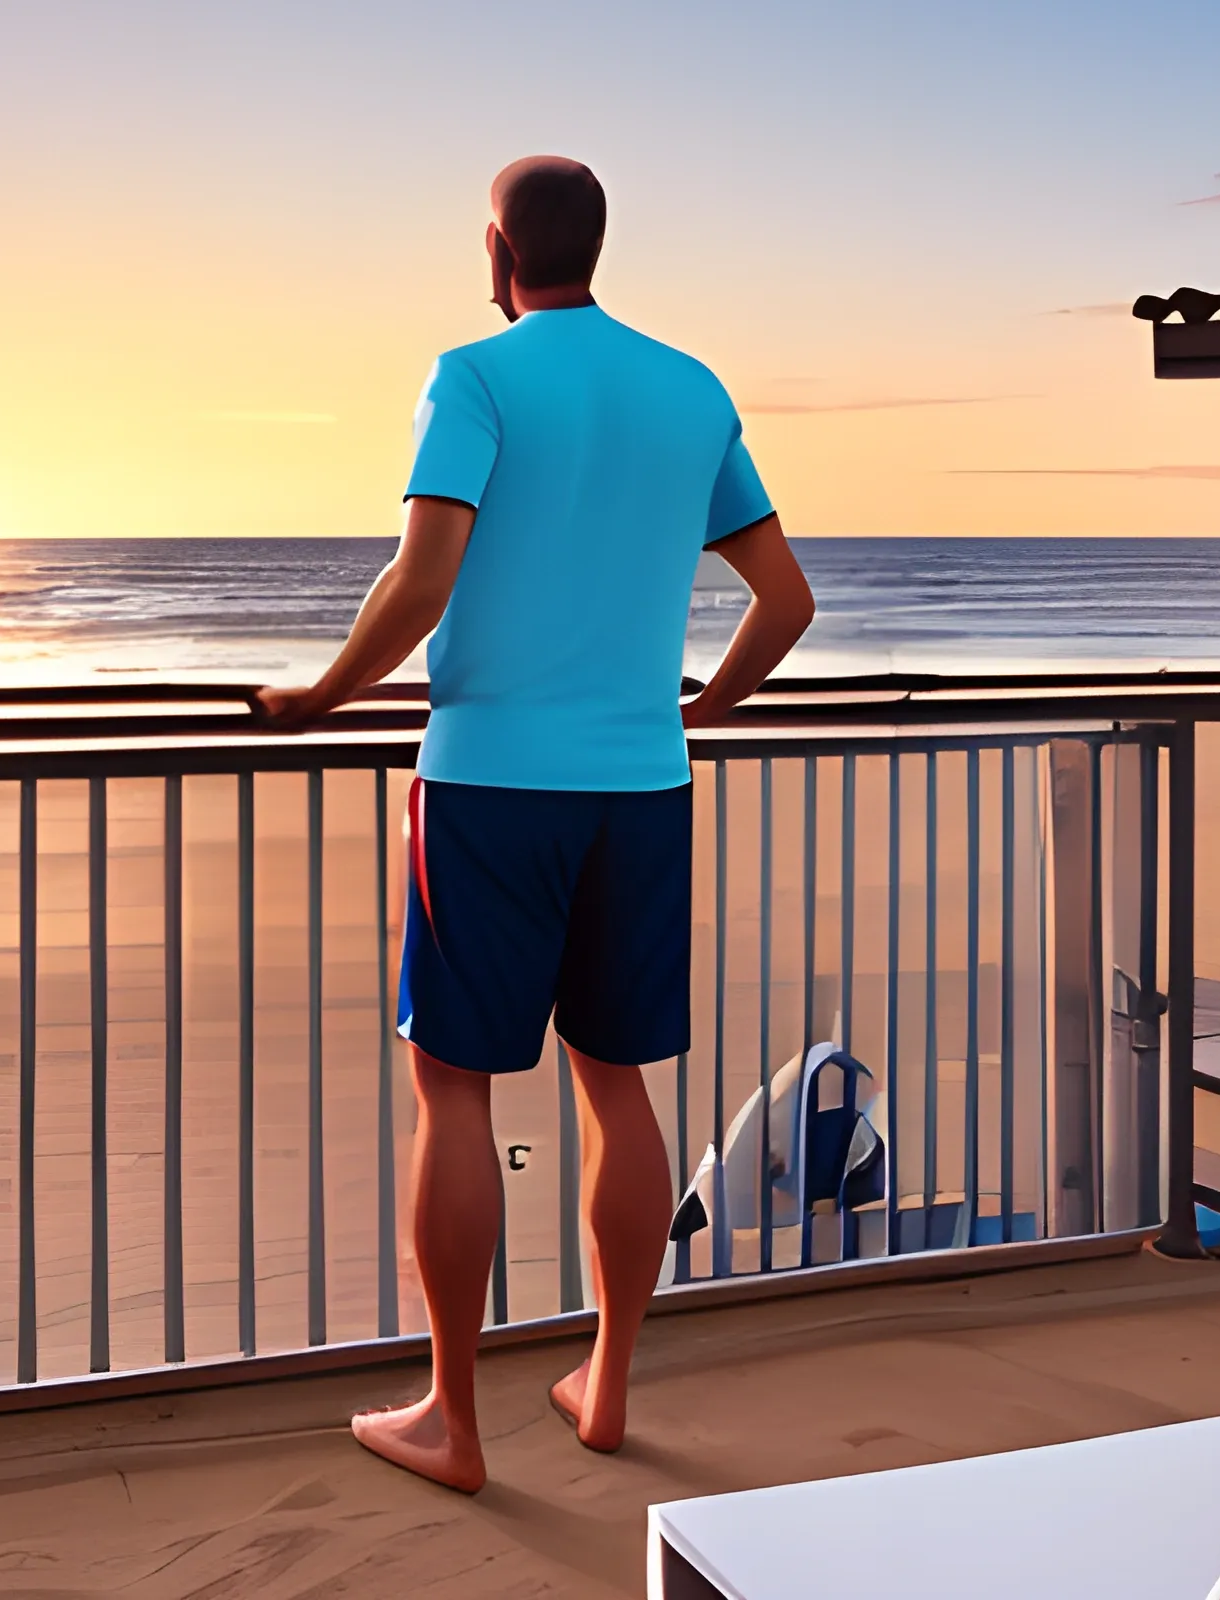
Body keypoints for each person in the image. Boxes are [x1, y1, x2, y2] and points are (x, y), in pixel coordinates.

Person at [252, 156, 815, 1493]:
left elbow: (424, 574)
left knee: (457, 1092)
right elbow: (784, 601)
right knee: (617, 1089)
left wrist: (324, 694)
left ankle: (453, 1417)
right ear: (598, 246)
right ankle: (606, 1383)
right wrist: (706, 708)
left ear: (497, 249)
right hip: (641, 786)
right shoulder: (692, 388)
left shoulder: (477, 376)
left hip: (494, 784)